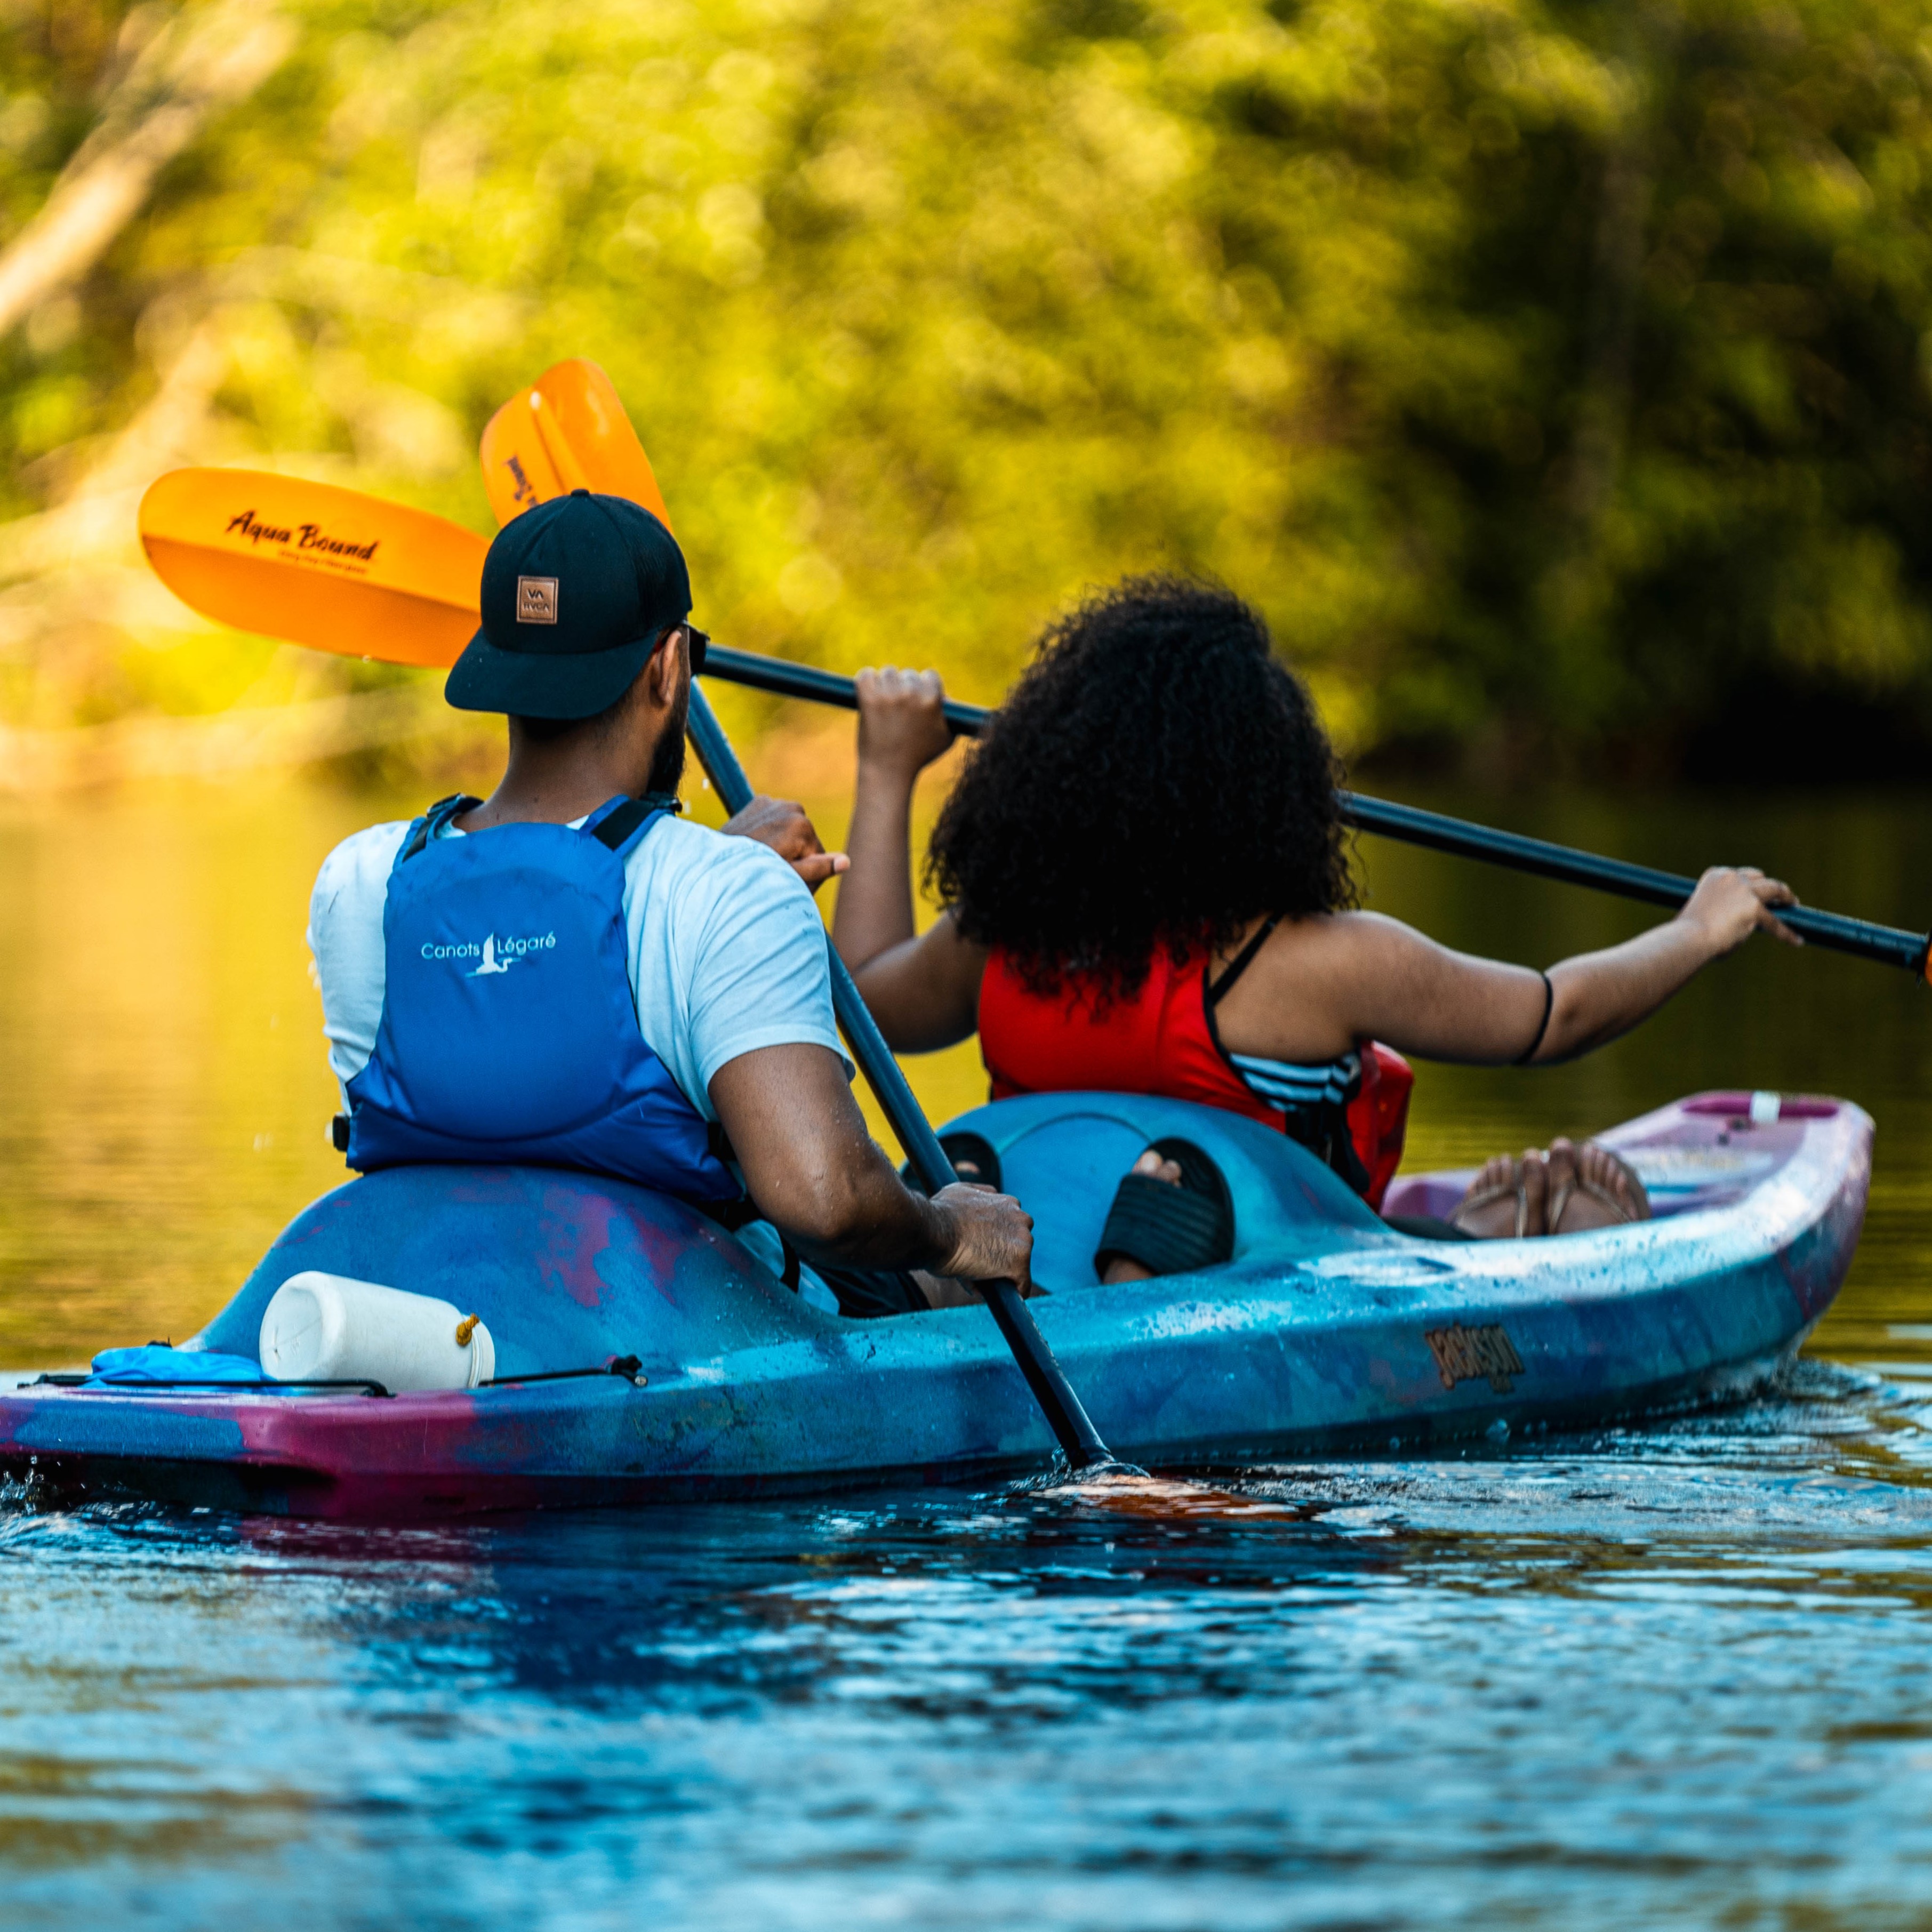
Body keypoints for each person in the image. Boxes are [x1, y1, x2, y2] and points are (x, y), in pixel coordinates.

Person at [831, 576, 1801, 1272]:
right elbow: (1558, 1016)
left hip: (1033, 1276)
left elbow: (868, 993)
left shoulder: (1007, 936)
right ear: (1266, 786)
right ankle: (1140, 1275)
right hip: (1254, 1276)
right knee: (1189, 1184)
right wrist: (1702, 927)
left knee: (968, 1168)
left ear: (1058, 769)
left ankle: (939, 1282)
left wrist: (886, 770)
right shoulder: (1317, 963)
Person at [306, 488, 1033, 1318]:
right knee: (953, 1266)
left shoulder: (361, 878)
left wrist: (722, 882)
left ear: (495, 669)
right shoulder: (725, 894)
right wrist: (948, 1231)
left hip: (436, 1300)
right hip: (681, 1320)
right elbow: (825, 1198)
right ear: (668, 668)